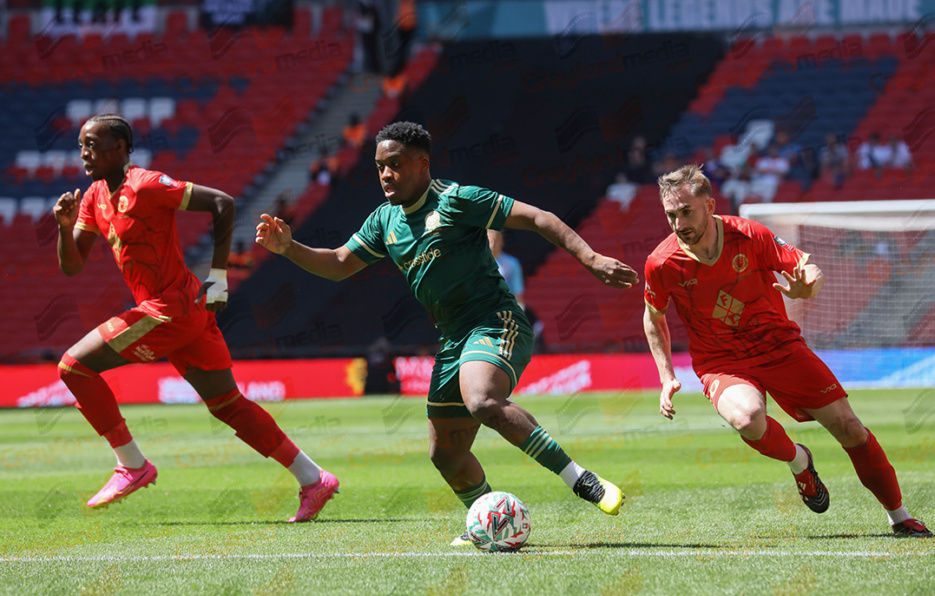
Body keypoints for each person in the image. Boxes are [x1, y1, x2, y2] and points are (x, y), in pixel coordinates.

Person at [256, 121, 639, 543]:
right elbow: (340, 262)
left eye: (395, 165)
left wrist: (590, 258)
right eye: (380, 166)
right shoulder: (384, 221)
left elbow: (539, 218)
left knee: (481, 399)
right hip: (454, 339)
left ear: (422, 165)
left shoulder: (458, 200)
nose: (385, 174)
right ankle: (491, 523)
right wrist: (289, 249)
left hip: (496, 321)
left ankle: (580, 479)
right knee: (447, 455)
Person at [52, 114, 339, 521]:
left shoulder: (147, 184)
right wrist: (64, 229)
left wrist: (219, 276)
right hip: (182, 309)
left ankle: (132, 464)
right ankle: (314, 479)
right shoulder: (93, 195)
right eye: (82, 144)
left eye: (93, 145)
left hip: (169, 307)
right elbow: (73, 264)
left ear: (120, 149)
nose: (85, 153)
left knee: (73, 366)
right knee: (227, 405)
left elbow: (222, 203)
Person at [641, 164, 931, 537]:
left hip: (780, 347)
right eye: (671, 215)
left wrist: (806, 287)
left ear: (710, 205)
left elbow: (807, 268)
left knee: (850, 429)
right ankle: (800, 461)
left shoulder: (750, 234)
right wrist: (666, 377)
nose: (679, 223)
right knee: (746, 419)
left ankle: (899, 516)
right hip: (722, 361)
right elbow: (653, 317)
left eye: (686, 212)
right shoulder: (661, 263)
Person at [488, 228, 545, 352]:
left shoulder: (511, 264)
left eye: (496, 238)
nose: (492, 242)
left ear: (501, 240)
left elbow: (518, 297)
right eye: (489, 238)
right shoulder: (476, 263)